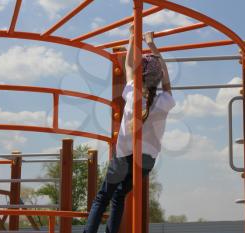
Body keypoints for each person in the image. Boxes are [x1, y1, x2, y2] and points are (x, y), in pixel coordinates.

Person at [83, 25, 176, 233]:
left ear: (139, 75)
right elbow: (167, 78)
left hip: (124, 157)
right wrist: (153, 46)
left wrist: (132, 38)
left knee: (103, 197)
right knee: (119, 197)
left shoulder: (133, 94)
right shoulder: (164, 101)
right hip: (146, 161)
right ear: (157, 78)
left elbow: (127, 64)